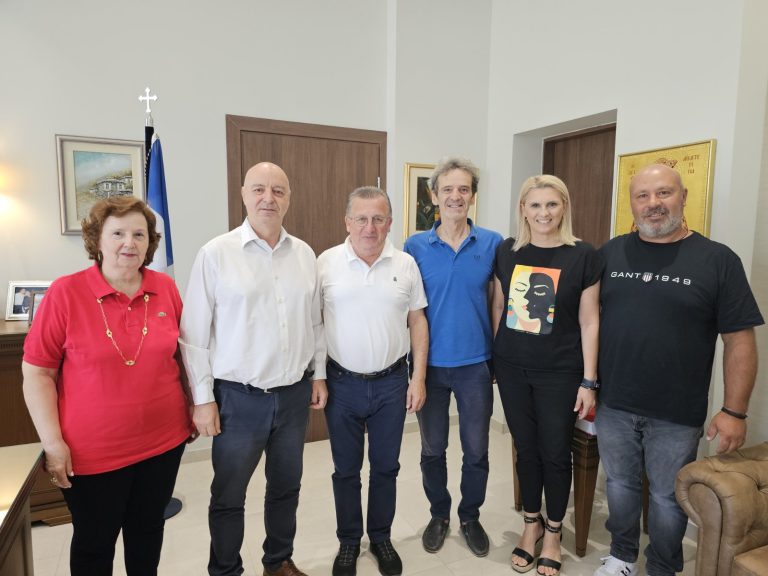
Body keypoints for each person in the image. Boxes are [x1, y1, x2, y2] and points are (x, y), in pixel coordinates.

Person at [594, 163, 763, 576]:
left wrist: (735, 410)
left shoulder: (718, 260)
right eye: (643, 196)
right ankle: (621, 556)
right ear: (632, 204)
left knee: (668, 498)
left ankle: (662, 567)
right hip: (614, 402)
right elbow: (586, 322)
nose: (653, 203)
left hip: (677, 412)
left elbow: (739, 340)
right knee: (619, 485)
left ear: (684, 197)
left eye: (664, 193)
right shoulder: (610, 254)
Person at [22, 196, 193, 576]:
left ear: (150, 243)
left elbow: (183, 357)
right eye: (118, 233)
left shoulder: (165, 287)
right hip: (92, 453)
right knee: (95, 543)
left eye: (139, 234)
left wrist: (195, 407)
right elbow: (38, 374)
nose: (129, 243)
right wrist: (52, 443)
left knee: (148, 532)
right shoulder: (65, 293)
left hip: (164, 441)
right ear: (97, 239)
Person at [180, 162, 327, 576]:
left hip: (293, 396)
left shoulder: (305, 255)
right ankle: (226, 570)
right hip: (238, 400)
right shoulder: (216, 254)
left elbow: (315, 322)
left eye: (278, 191)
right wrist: (203, 399)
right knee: (229, 496)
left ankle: (278, 562)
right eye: (259, 189)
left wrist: (318, 373)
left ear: (288, 199)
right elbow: (193, 335)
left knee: (286, 488)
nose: (268, 198)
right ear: (244, 194)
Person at [492, 175, 602, 576]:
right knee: (526, 449)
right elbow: (500, 306)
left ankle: (553, 532)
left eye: (552, 204)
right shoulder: (508, 252)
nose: (544, 213)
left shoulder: (583, 255)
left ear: (564, 207)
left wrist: (589, 381)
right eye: (535, 205)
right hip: (512, 369)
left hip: (561, 372)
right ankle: (531, 525)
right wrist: (497, 356)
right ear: (523, 209)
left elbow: (590, 321)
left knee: (555, 453)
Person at [318, 186, 428, 576]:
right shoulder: (326, 263)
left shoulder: (406, 264)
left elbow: (418, 321)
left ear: (389, 222)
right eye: (361, 219)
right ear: (347, 222)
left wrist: (418, 378)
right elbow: (314, 324)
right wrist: (317, 376)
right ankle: (349, 541)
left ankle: (380, 537)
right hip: (342, 384)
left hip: (391, 383)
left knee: (386, 467)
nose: (370, 227)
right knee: (346, 470)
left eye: (378, 219)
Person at [403, 157, 502, 557]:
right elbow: (411, 311)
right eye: (447, 189)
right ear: (434, 196)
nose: (455, 196)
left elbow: (498, 302)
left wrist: (498, 356)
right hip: (429, 366)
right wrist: (414, 371)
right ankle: (439, 514)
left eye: (463, 189)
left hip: (476, 365)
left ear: (473, 196)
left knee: (476, 449)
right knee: (433, 449)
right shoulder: (415, 246)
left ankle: (470, 516)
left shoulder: (493, 243)